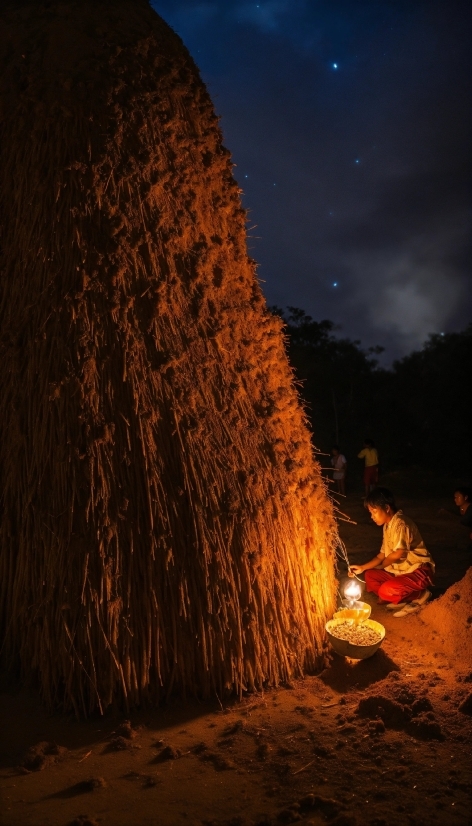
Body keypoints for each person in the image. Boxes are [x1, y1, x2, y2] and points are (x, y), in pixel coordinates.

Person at [349, 487, 434, 617]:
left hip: (418, 571)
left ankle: (420, 594)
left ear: (387, 508)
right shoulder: (387, 526)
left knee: (385, 592)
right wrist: (362, 568)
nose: (372, 517)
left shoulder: (401, 523)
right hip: (401, 572)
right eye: (370, 513)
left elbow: (399, 553)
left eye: (374, 512)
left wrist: (383, 565)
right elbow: (382, 555)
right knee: (369, 576)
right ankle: (401, 597)